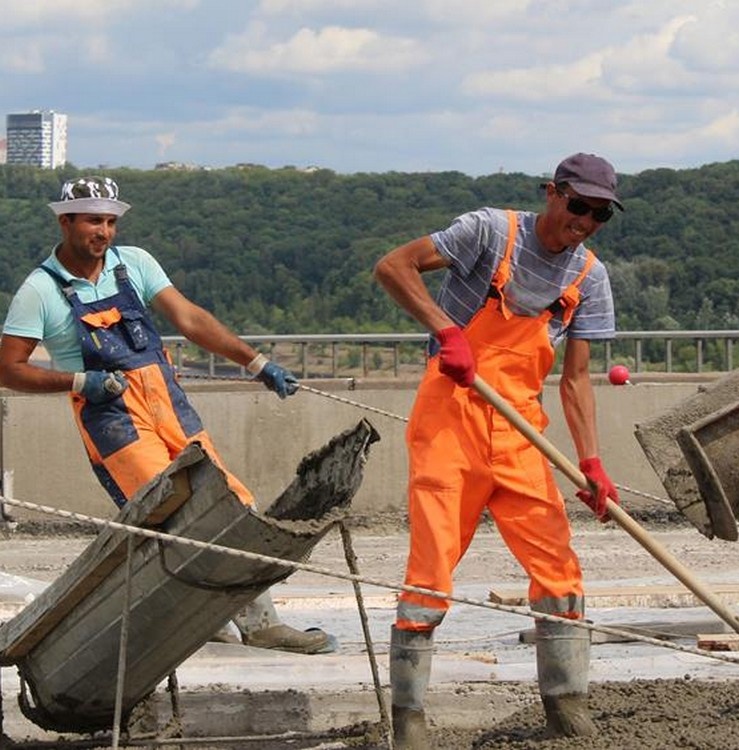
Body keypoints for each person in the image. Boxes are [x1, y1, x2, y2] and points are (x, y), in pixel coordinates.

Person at [0, 176, 335, 655]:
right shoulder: (41, 290)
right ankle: (205, 623)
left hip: (168, 402)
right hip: (113, 417)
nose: (105, 232)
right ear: (66, 221)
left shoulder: (132, 264)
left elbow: (191, 320)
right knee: (172, 516)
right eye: (94, 220)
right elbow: (8, 368)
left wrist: (256, 363)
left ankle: (259, 621)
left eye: (111, 221)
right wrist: (78, 381)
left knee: (230, 501)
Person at [373, 153, 622, 749]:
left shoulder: (589, 277)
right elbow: (393, 266)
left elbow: (577, 380)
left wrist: (590, 463)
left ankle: (566, 707)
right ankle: (408, 719)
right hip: (449, 419)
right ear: (552, 193)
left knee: (558, 568)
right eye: (578, 205)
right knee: (430, 570)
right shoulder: (490, 231)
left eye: (599, 214)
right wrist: (447, 329)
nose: (584, 221)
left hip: (520, 431)